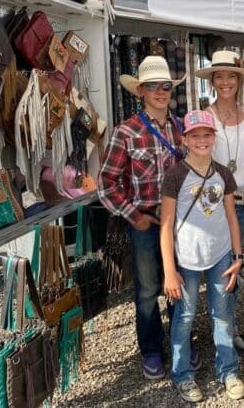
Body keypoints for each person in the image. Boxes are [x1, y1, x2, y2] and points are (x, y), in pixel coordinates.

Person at [98, 55, 200, 380]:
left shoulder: (184, 128)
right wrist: (133, 216)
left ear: (172, 90)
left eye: (166, 85)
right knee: (147, 290)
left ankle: (181, 342)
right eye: (153, 85)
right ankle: (152, 348)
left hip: (182, 224)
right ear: (140, 90)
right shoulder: (126, 131)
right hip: (146, 222)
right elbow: (105, 183)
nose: (160, 91)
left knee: (180, 284)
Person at [161, 110, 244, 403]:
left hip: (221, 254)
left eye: (206, 135)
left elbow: (232, 217)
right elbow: (166, 225)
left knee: (222, 314)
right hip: (186, 258)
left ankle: (228, 370)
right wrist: (169, 270)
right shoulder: (175, 175)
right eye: (194, 135)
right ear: (185, 140)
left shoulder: (223, 173)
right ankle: (182, 375)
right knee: (184, 317)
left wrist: (239, 256)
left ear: (214, 138)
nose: (201, 140)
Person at [195, 50, 244, 350]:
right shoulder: (204, 117)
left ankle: (226, 328)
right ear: (212, 81)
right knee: (216, 268)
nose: (225, 82)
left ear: (239, 80)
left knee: (234, 269)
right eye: (218, 76)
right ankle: (221, 330)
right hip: (214, 205)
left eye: (230, 75)